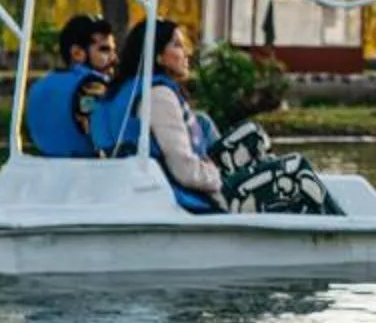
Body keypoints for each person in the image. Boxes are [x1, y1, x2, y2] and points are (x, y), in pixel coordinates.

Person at [93, 18, 225, 210]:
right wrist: (218, 176)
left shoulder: (120, 92)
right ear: (159, 56)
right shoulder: (158, 95)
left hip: (127, 194)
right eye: (178, 45)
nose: (187, 53)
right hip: (177, 201)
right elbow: (184, 170)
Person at [21, 13, 117, 159]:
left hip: (46, 171)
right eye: (104, 50)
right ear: (77, 53)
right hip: (90, 172)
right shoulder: (94, 86)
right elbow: (108, 139)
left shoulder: (39, 86)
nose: (114, 58)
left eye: (113, 50)